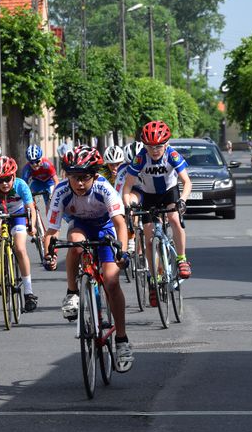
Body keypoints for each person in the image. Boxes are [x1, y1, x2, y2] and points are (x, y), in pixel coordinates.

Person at [42, 145, 133, 370]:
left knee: (111, 281)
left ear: (94, 175)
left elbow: (120, 223)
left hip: (106, 227)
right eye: (74, 178)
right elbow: (51, 232)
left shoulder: (104, 187)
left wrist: (122, 251)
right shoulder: (61, 191)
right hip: (81, 226)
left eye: (84, 178)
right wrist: (49, 255)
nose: (79, 183)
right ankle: (72, 293)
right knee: (75, 244)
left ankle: (121, 339)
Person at [122, 120, 193, 305]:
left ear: (166, 144)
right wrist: (128, 206)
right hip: (149, 195)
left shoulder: (172, 155)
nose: (155, 150)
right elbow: (127, 187)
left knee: (174, 218)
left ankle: (182, 259)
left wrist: (182, 200)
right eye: (150, 146)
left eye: (159, 146)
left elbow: (187, 182)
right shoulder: (140, 158)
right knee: (148, 237)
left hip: (170, 192)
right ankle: (154, 280)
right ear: (145, 145)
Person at [0, 156, 39, 312]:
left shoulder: (21, 185)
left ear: (14, 176)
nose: (4, 184)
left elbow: (31, 207)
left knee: (20, 248)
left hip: (18, 215)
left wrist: (32, 225)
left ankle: (28, 292)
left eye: (7, 179)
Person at [22, 144, 59, 208]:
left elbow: (56, 181)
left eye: (37, 161)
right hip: (37, 182)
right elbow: (23, 184)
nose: (34, 165)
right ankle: (34, 212)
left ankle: (49, 216)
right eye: (31, 162)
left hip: (49, 182)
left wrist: (53, 194)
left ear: (41, 158)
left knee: (50, 203)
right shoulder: (27, 168)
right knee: (28, 200)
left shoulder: (47, 164)